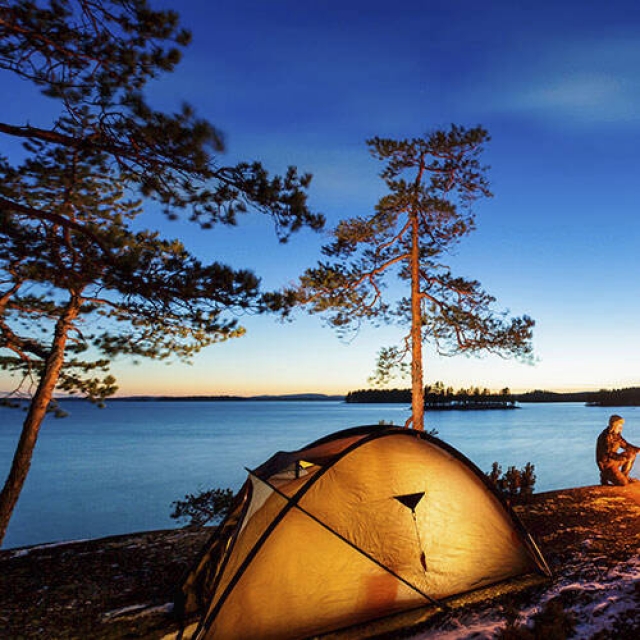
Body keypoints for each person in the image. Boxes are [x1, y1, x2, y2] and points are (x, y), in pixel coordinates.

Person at [596, 414, 640, 486]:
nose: (621, 429)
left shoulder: (616, 435)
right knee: (623, 483)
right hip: (606, 464)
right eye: (619, 427)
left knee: (631, 454)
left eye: (621, 427)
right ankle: (604, 474)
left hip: (614, 461)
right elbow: (609, 453)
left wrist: (637, 449)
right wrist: (621, 458)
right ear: (614, 426)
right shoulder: (605, 437)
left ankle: (624, 475)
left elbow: (625, 445)